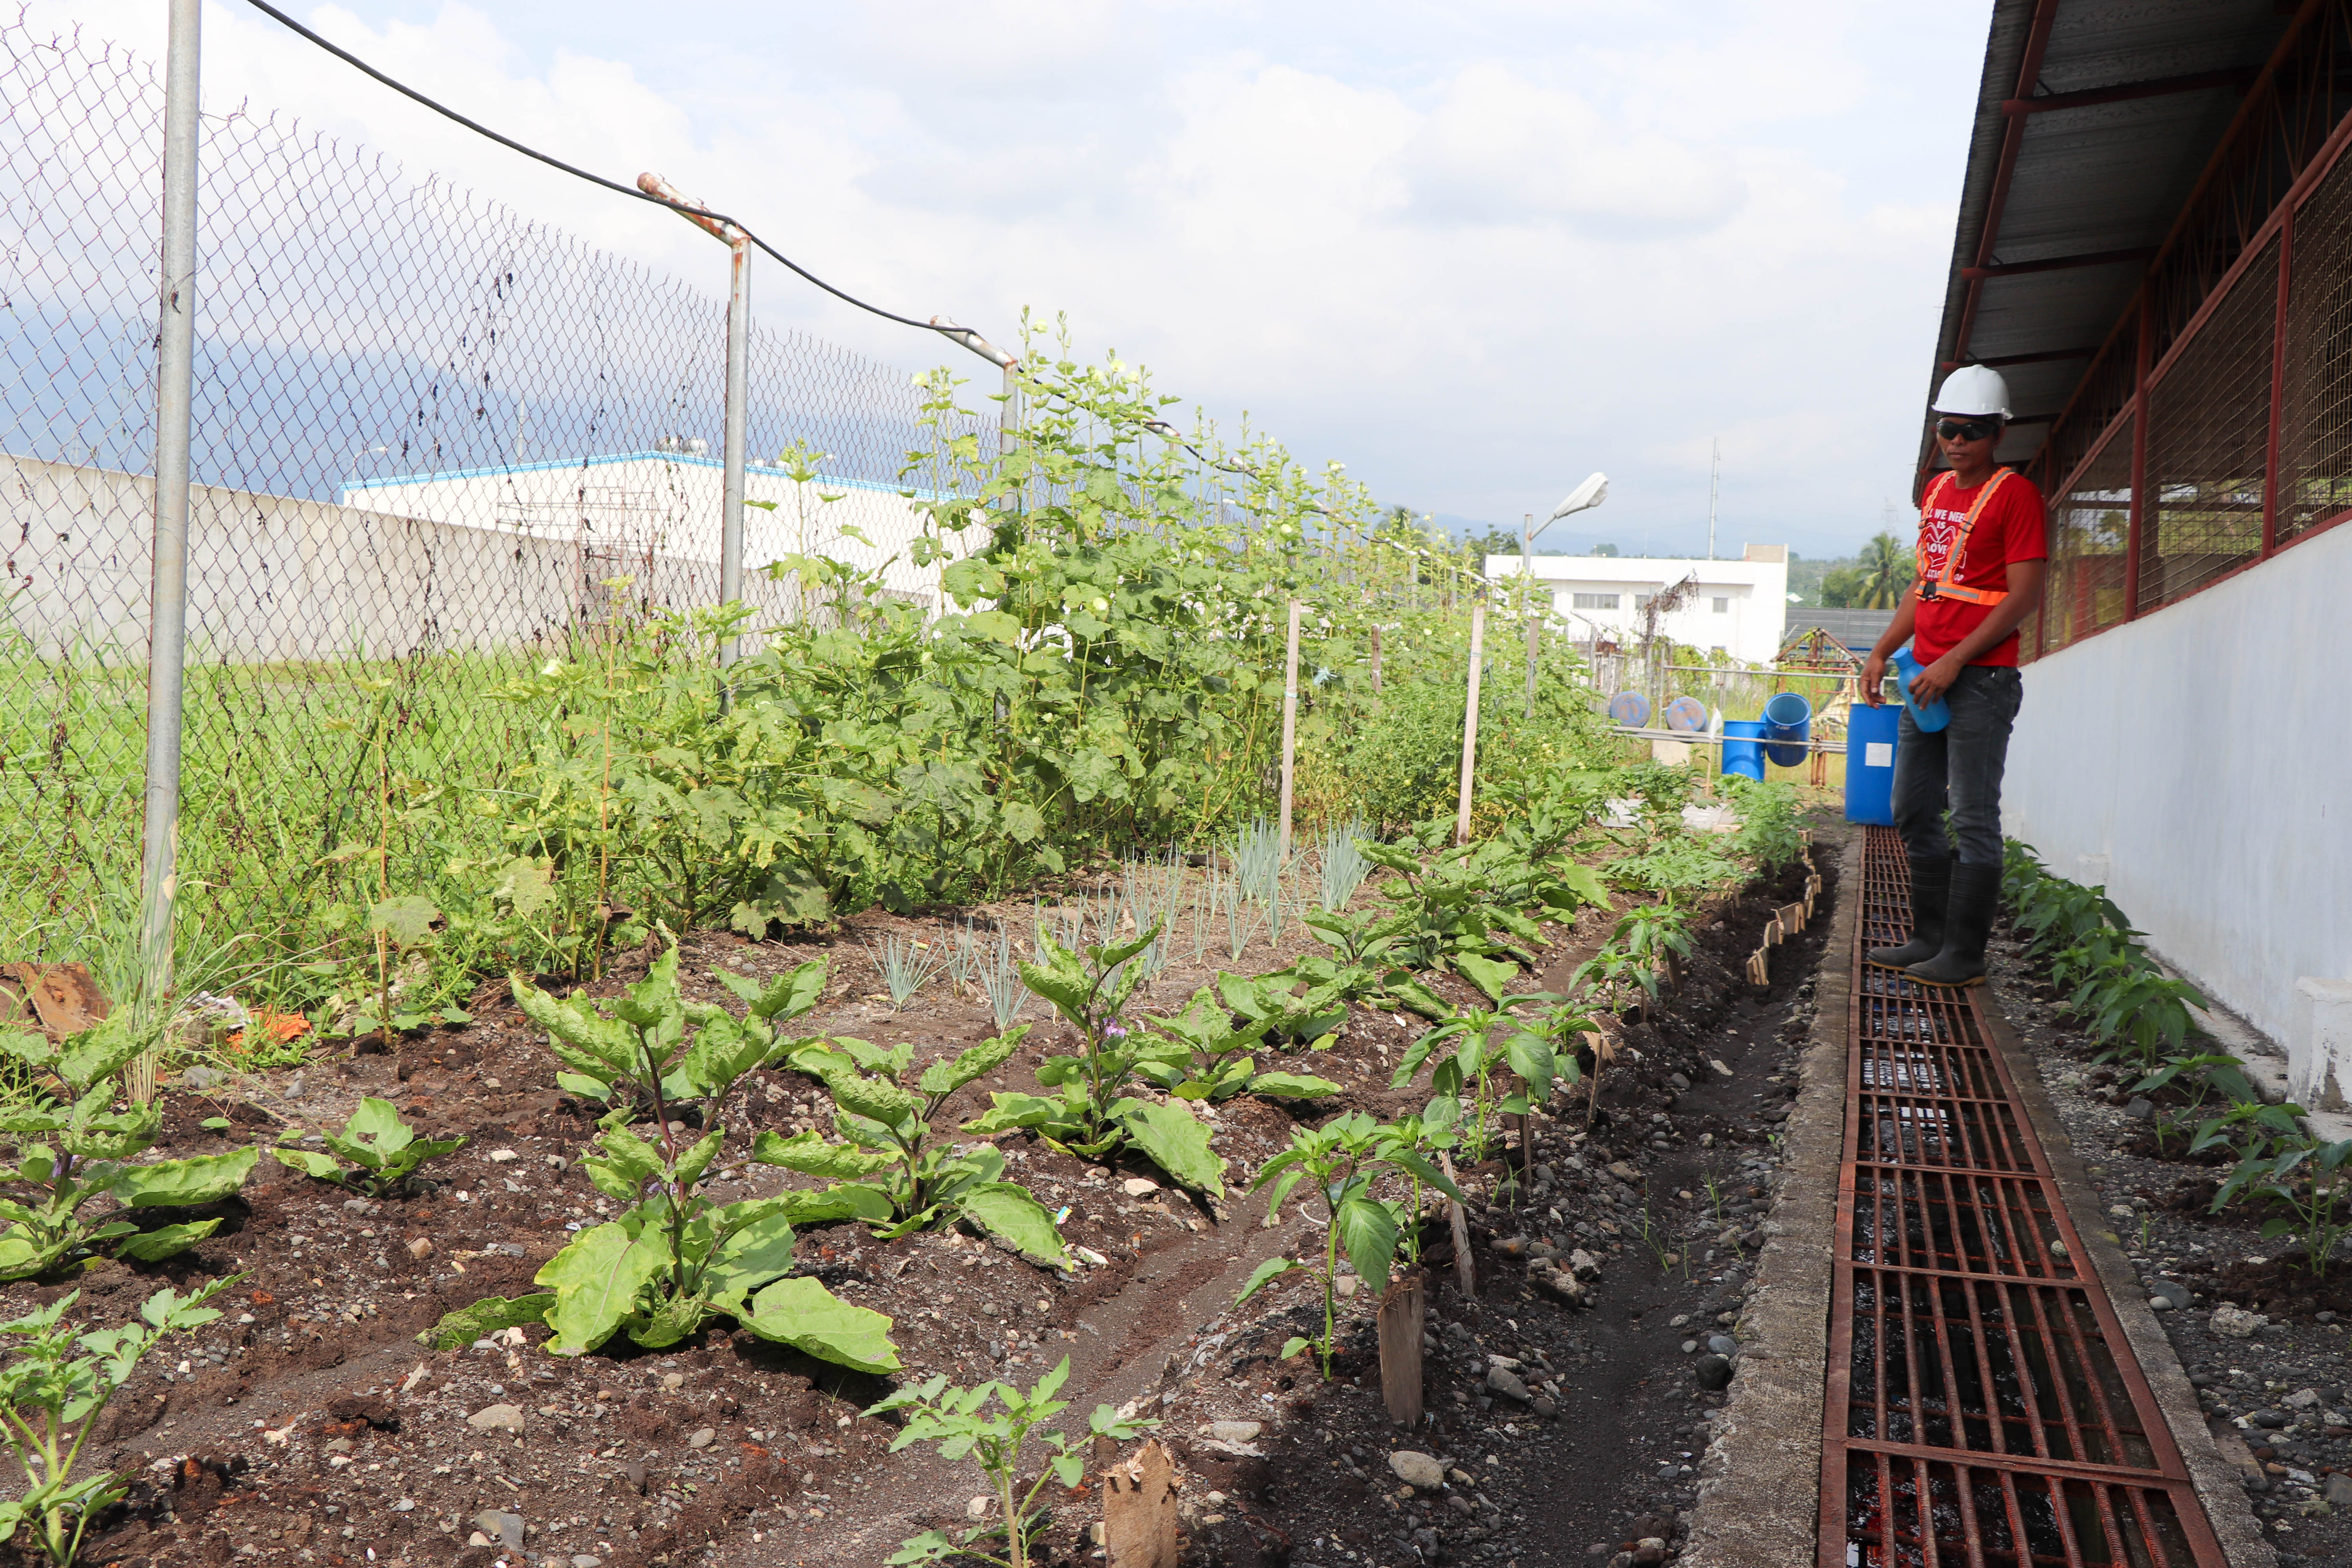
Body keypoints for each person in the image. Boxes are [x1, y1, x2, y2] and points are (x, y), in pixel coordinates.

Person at [1858, 365, 2048, 987]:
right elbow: (1926, 585)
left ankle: (1964, 956)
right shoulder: (1938, 491)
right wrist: (1883, 651)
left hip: (1980, 681)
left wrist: (1955, 659)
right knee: (1912, 807)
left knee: (1971, 816)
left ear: (1998, 434)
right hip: (1925, 676)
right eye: (1949, 429)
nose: (1958, 440)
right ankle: (1928, 939)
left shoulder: (2016, 496)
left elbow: (2023, 597)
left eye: (1973, 430)